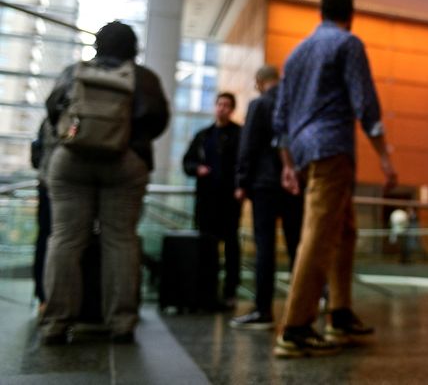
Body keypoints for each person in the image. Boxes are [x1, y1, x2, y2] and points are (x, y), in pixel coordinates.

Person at [272, 0, 397, 357]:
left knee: (343, 231)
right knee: (319, 234)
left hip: (304, 152)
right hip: (332, 150)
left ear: (320, 12)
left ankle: (340, 314)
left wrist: (287, 165)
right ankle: (295, 327)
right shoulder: (348, 44)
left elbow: (280, 117)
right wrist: (386, 158)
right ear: (350, 13)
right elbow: (366, 105)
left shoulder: (295, 54)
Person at [41, 21, 169, 344]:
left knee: (65, 240)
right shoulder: (145, 78)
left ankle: (56, 322)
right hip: (124, 162)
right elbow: (158, 120)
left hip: (72, 160)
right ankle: (121, 323)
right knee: (121, 240)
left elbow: (53, 110)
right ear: (132, 48)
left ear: (97, 45)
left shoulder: (74, 71)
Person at [229, 65, 303, 330]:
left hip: (264, 184)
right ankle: (302, 308)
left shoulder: (259, 105)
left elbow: (248, 144)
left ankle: (263, 310)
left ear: (260, 82)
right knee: (297, 246)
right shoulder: (296, 104)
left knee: (265, 248)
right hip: (294, 183)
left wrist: (241, 181)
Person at [183, 92, 242, 308]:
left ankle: (229, 290)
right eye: (219, 104)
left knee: (230, 246)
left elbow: (244, 164)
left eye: (226, 105)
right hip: (207, 200)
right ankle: (206, 289)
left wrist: (240, 186)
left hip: (229, 200)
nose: (222, 108)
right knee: (206, 244)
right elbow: (187, 162)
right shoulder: (203, 135)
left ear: (232, 109)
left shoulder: (240, 135)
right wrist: (197, 169)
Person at [30, 118, 57, 312]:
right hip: (75, 188)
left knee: (47, 240)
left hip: (48, 183)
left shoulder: (53, 114)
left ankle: (45, 299)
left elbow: (37, 156)